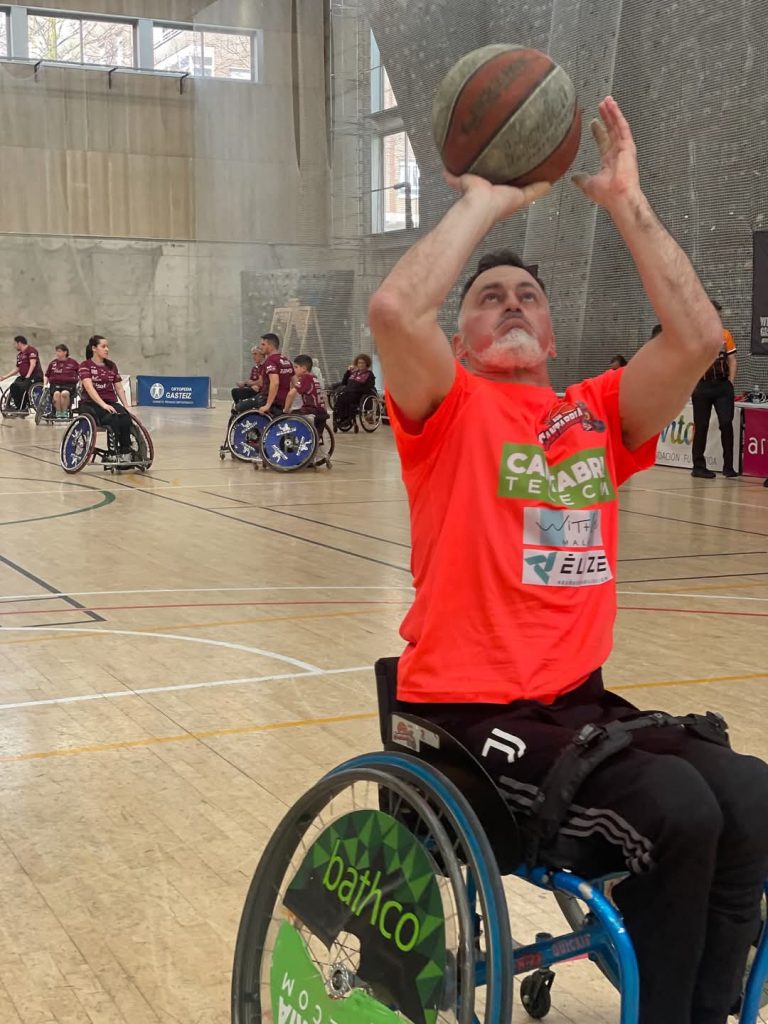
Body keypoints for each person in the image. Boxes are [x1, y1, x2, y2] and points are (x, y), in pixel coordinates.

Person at [368, 96, 768, 1024]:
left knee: (750, 795)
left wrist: (626, 199)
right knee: (678, 808)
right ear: (459, 341)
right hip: (469, 716)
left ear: (551, 336)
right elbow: (393, 308)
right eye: (488, 297)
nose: (511, 303)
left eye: (528, 297)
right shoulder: (445, 407)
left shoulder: (594, 414)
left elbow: (699, 338)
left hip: (578, 707)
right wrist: (485, 200)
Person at [690, 301, 739, 479]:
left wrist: (730, 382)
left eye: (718, 315)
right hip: (701, 387)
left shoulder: (725, 335)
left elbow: (732, 359)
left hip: (722, 387)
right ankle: (698, 466)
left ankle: (728, 467)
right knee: (701, 425)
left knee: (726, 424)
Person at [78, 335, 133, 461]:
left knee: (125, 417)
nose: (107, 349)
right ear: (94, 348)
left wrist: (126, 406)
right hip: (90, 403)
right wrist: (103, 405)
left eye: (107, 346)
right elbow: (89, 388)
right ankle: (113, 453)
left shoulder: (111, 366)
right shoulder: (85, 365)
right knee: (112, 418)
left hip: (110, 402)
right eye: (103, 346)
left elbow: (119, 388)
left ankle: (126, 451)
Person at [283, 355, 329, 432]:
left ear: (304, 368)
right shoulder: (314, 377)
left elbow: (290, 394)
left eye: (296, 367)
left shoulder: (306, 378)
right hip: (322, 413)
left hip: (311, 412)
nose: (294, 370)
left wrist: (286, 410)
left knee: (290, 414)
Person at [333, 353, 376, 430]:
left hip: (359, 394)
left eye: (363, 363)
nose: (361, 365)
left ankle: (347, 419)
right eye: (359, 363)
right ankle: (341, 418)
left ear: (367, 364)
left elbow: (369, 387)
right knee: (340, 398)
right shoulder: (354, 373)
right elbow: (344, 383)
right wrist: (348, 371)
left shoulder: (369, 374)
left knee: (347, 398)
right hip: (348, 392)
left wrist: (356, 389)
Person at [1, 335, 43, 411]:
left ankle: (23, 407)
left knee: (21, 387)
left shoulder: (31, 350)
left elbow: (33, 364)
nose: (14, 346)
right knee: (13, 386)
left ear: (19, 343)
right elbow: (17, 368)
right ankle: (18, 406)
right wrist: (5, 377)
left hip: (34, 376)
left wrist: (28, 375)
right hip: (24, 377)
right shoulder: (19, 355)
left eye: (15, 344)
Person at [256, 332, 294, 415]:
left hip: (271, 402)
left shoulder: (270, 361)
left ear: (271, 346)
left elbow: (275, 383)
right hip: (283, 402)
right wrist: (289, 404)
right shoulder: (286, 361)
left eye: (263, 344)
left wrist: (268, 405)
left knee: (240, 406)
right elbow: (295, 383)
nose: (260, 347)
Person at [44, 344, 80, 419]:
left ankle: (64, 412)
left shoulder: (73, 362)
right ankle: (58, 413)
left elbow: (81, 374)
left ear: (65, 352)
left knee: (64, 393)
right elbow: (46, 375)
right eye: (57, 351)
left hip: (69, 385)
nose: (57, 353)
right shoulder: (53, 363)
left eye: (59, 351)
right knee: (56, 394)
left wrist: (81, 385)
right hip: (55, 385)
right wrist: (45, 385)